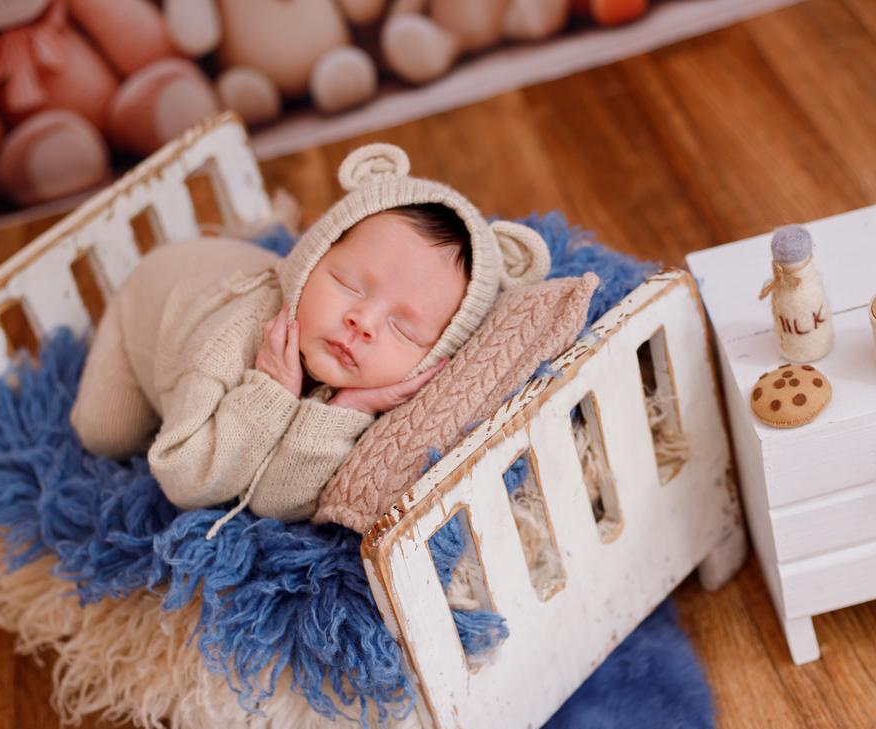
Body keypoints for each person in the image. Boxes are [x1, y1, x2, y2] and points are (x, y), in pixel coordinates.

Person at [70, 143, 550, 532]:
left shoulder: (377, 389)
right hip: (155, 295)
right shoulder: (228, 342)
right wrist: (269, 393)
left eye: (403, 328)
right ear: (310, 258)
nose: (362, 322)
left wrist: (344, 410)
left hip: (217, 278)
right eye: (349, 285)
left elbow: (274, 503)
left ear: (436, 355)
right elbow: (185, 480)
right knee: (106, 434)